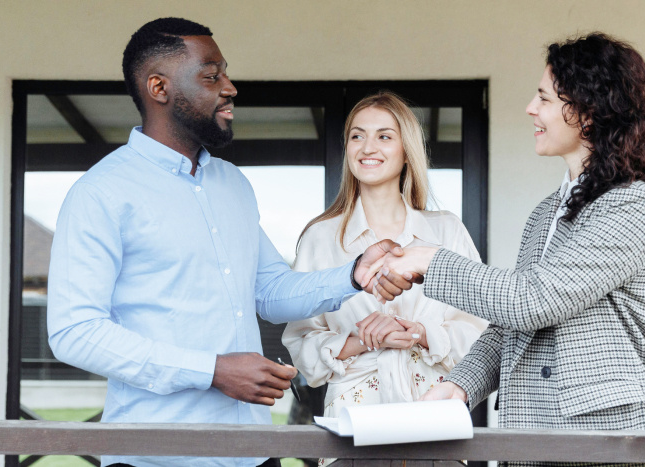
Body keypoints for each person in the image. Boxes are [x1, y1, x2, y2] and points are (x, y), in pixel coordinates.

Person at [46, 18, 411, 467]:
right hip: (157, 458)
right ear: (158, 87)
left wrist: (353, 275)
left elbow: (270, 292)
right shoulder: (101, 193)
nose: (230, 87)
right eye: (211, 75)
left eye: (225, 73)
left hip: (254, 452)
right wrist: (212, 371)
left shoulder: (233, 183)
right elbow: (74, 332)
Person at [374, 33, 645, 466]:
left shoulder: (632, 204)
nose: (530, 109)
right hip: (532, 437)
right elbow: (509, 326)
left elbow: (533, 299)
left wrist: (431, 259)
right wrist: (461, 385)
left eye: (544, 98)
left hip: (608, 443)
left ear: (587, 112)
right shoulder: (546, 213)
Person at [281, 93, 487, 466]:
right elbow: (301, 344)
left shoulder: (446, 231)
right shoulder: (320, 238)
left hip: (434, 425)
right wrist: (362, 339)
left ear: (407, 151)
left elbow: (482, 336)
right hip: (352, 432)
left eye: (384, 136)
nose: (367, 147)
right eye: (357, 136)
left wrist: (419, 332)